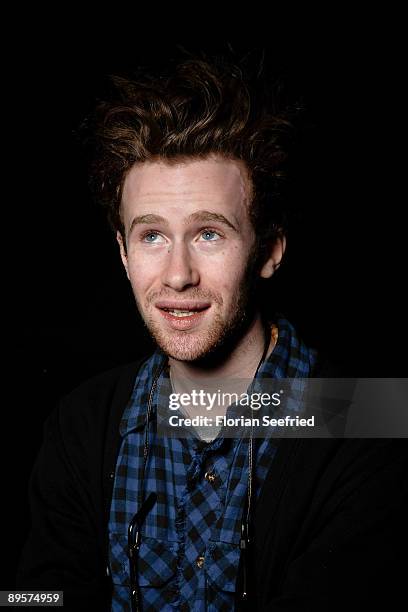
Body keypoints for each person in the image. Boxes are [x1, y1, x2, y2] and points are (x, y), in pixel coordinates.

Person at [17, 52, 408, 611]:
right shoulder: (83, 422)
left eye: (209, 234)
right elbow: (42, 596)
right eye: (152, 236)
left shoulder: (370, 427)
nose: (177, 275)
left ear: (269, 250)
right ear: (124, 254)